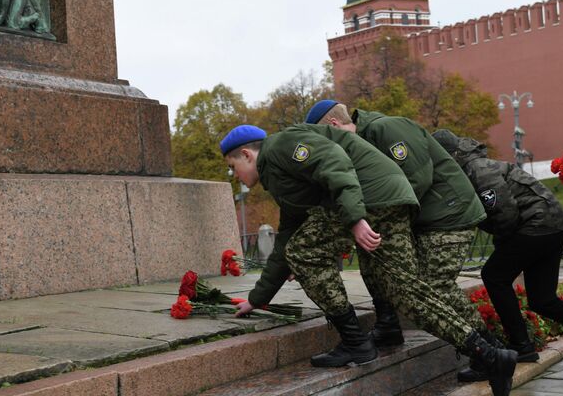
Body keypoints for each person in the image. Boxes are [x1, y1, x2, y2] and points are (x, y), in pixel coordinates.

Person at [222, 124, 517, 396]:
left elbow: (333, 160)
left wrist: (355, 219)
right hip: (390, 197)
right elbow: (288, 234)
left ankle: (354, 342)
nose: (236, 177)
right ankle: (490, 354)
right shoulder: (278, 178)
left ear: (247, 155)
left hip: (370, 198)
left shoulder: (280, 146)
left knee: (304, 253)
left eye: (233, 168)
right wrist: (257, 298)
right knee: (403, 290)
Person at [305, 101, 503, 381]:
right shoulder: (359, 141)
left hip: (448, 213)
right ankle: (388, 326)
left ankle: (491, 351)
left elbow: (417, 179)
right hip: (427, 218)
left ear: (334, 126)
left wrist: (381, 218)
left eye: (325, 139)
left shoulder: (386, 127)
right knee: (375, 258)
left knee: (433, 286)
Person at [434, 129, 563, 380]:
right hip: (550, 226)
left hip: (536, 227)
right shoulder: (472, 166)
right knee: (542, 300)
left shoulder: (477, 168)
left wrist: (501, 241)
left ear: (447, 155)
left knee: (494, 275)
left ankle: (521, 346)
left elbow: (504, 212)